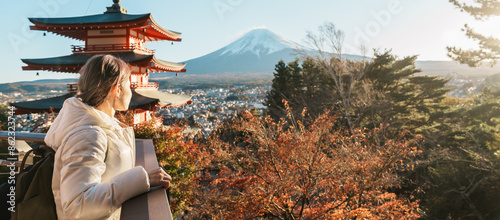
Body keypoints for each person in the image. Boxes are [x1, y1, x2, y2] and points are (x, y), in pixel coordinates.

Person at [44, 54, 172, 220]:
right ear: (117, 89)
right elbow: (78, 205)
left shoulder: (97, 125)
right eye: (129, 85)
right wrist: (142, 179)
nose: (131, 92)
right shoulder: (89, 134)